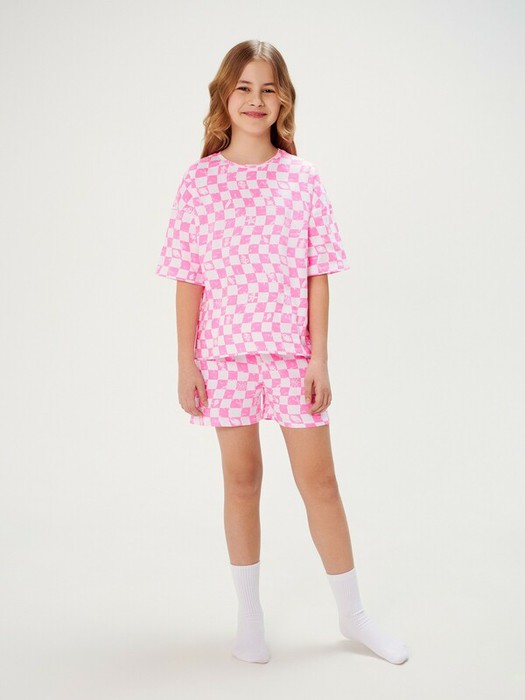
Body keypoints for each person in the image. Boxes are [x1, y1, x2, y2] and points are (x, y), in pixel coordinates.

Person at [155, 40, 409, 666]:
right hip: (223, 354)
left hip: (291, 354)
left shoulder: (303, 179)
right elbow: (188, 279)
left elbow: (318, 274)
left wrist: (319, 357)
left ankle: (352, 613)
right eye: (243, 88)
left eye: (268, 89)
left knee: (319, 480)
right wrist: (186, 363)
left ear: (284, 100)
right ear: (224, 96)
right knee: (242, 480)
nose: (255, 100)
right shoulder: (200, 181)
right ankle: (249, 616)